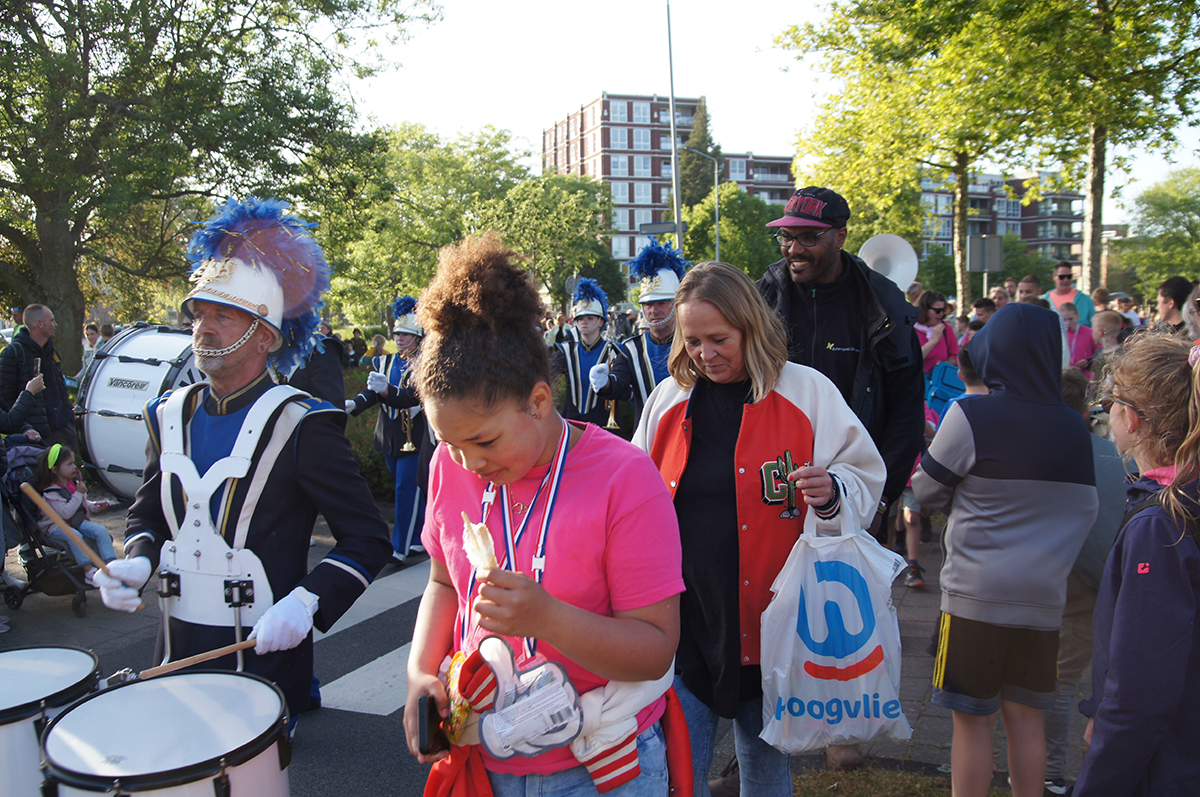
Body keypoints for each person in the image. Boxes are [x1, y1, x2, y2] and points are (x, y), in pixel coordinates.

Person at [404, 233, 683, 796]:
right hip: (484, 756)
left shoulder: (624, 478)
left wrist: (549, 619)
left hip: (600, 767)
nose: (469, 464)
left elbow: (655, 649)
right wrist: (420, 675)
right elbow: (443, 582)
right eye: (449, 443)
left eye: (484, 441)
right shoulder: (449, 467)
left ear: (538, 402)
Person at [94, 197, 392, 718]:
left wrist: (306, 601)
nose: (203, 328)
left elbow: (367, 538)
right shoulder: (168, 414)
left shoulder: (303, 423)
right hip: (175, 651)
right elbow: (148, 516)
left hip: (264, 659)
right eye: (199, 315)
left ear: (265, 338)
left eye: (223, 316)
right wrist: (137, 558)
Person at [635, 261, 886, 795]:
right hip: (686, 623)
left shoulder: (808, 392)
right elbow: (635, 497)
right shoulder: (668, 401)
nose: (706, 354)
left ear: (751, 328)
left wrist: (832, 490)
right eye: (693, 341)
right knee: (678, 772)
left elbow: (864, 475)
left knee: (767, 768)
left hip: (773, 622)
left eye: (719, 339)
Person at [913, 303, 1098, 797]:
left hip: (975, 598)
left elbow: (926, 489)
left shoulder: (972, 414)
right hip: (1043, 601)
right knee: (1027, 718)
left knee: (972, 723)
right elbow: (1086, 507)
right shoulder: (1073, 427)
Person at [755, 186, 923, 593]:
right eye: (786, 236)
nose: (794, 249)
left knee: (847, 615)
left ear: (840, 236)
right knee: (769, 608)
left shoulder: (884, 306)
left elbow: (906, 413)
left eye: (808, 237)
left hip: (855, 495)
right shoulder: (761, 298)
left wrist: (880, 499)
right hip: (774, 492)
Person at [1074, 334, 1200, 794]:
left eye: (1109, 403)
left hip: (1166, 765)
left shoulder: (1160, 526)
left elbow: (1140, 687)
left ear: (1131, 417)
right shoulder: (1182, 501)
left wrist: (1099, 779)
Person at [1043, 369, 1124, 797]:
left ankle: (1051, 772)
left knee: (1057, 687)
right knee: (1081, 684)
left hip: (1067, 592)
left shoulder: (1048, 452)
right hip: (1102, 590)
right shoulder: (1112, 454)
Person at [347, 296, 427, 563]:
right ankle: (418, 538)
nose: (400, 339)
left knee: (405, 490)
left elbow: (411, 396)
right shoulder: (385, 361)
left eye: (406, 334)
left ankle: (399, 548)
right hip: (389, 434)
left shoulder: (425, 363)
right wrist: (355, 403)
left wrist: (387, 390)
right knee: (406, 489)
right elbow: (373, 392)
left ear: (418, 337)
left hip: (416, 435)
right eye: (397, 334)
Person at [592, 239, 690, 432]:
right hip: (648, 437)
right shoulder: (630, 349)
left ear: (677, 302)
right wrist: (605, 384)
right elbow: (620, 383)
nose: (654, 310)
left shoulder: (692, 342)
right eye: (648, 304)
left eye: (662, 303)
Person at [30, 444, 115, 583]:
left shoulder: (73, 484)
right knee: (74, 535)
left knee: (101, 531)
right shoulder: (51, 492)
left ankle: (110, 565)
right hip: (56, 527)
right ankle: (89, 571)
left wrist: (94, 507)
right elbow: (66, 513)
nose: (74, 467)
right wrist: (78, 494)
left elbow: (81, 504)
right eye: (69, 464)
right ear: (55, 470)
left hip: (75, 522)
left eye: (73, 463)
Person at [0, 304, 76, 450]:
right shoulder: (13, 353)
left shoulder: (52, 352)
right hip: (36, 437)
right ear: (39, 324)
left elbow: (61, 389)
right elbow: (5, 400)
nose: (56, 324)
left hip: (64, 431)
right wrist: (24, 428)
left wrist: (70, 419)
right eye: (52, 320)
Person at [551, 279, 619, 428]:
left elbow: (623, 389)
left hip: (602, 424)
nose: (584, 322)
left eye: (590, 318)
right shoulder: (566, 350)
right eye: (580, 318)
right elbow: (548, 375)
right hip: (570, 421)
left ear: (601, 322)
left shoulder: (614, 351)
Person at [916, 290, 959, 376]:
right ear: (924, 310)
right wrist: (934, 340)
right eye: (938, 310)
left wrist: (944, 365)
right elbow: (913, 359)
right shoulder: (910, 329)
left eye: (943, 310)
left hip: (939, 378)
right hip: (918, 379)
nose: (941, 314)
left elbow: (955, 355)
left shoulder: (945, 328)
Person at [1042, 262, 1095, 326]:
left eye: (1069, 276)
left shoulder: (1085, 300)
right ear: (1054, 277)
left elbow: (1094, 325)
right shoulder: (1043, 301)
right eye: (1062, 277)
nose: (1066, 280)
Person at [1059, 302, 1100, 380]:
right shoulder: (1059, 334)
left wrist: (1089, 361)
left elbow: (1101, 354)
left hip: (1086, 378)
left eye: (1071, 319)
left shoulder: (1089, 332)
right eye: (1064, 320)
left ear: (1078, 316)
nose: (1068, 323)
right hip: (1064, 377)